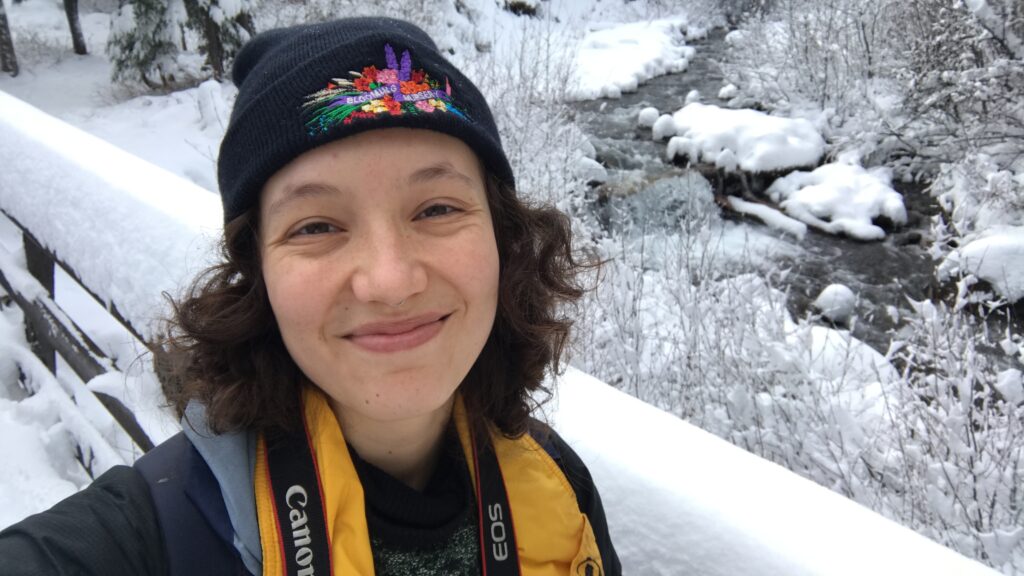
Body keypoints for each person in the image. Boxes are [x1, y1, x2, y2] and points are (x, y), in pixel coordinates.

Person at [0, 16, 620, 576]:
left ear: (501, 239)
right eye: (317, 226)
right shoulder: (155, 534)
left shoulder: (560, 491)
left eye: (435, 208)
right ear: (259, 274)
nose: (389, 280)